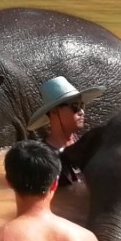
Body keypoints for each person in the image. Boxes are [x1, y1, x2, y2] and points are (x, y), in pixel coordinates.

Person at [30, 75, 92, 221]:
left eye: (81, 105)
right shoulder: (43, 159)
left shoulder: (87, 144)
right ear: (54, 112)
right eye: (75, 107)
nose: (81, 111)